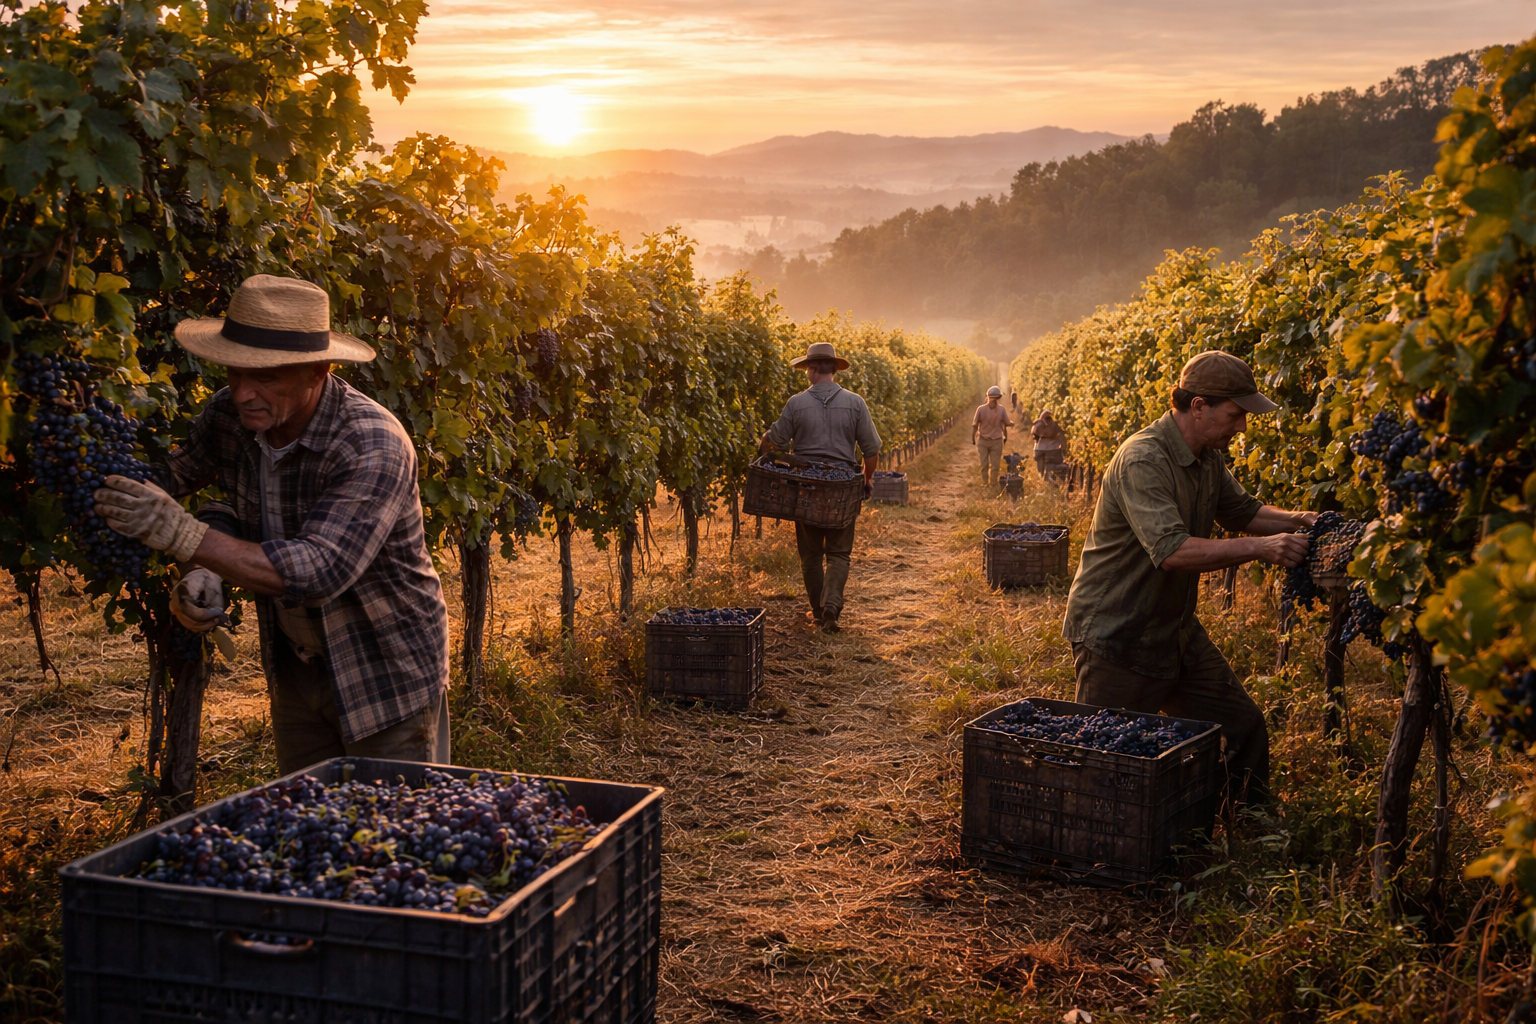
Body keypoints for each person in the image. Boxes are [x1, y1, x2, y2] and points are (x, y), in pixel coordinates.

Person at [93, 275, 452, 775]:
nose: (243, 394)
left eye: (265, 377)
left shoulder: (371, 442)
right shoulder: (230, 416)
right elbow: (196, 487)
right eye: (235, 374)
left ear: (317, 371)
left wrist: (184, 537)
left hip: (384, 669)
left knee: (395, 835)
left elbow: (319, 569)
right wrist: (203, 567)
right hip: (296, 668)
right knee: (306, 826)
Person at [1061, 351, 1314, 804]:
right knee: (1104, 764)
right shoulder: (1143, 460)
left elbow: (1243, 511)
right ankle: (1096, 862)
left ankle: (1245, 827)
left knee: (1244, 727)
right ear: (1198, 407)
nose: (1241, 428)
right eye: (1235, 415)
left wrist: (1304, 520)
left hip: (1172, 630)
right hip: (1116, 633)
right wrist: (1262, 548)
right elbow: (1173, 552)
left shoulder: (1206, 455)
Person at [760, 341, 882, 633]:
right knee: (839, 553)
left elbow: (775, 440)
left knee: (811, 554)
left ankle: (817, 611)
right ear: (833, 370)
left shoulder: (795, 403)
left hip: (807, 488)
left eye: (807, 369)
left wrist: (763, 443)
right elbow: (871, 451)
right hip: (841, 489)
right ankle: (831, 606)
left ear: (813, 370)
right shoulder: (855, 403)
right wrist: (866, 478)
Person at [972, 385, 1013, 487]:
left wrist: (1010, 423)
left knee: (994, 465)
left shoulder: (1001, 410)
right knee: (986, 464)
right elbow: (975, 424)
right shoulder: (981, 409)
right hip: (984, 440)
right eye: (993, 399)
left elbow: (1006, 422)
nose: (994, 401)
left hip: (996, 440)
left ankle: (992, 483)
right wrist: (973, 437)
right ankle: (986, 483)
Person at [1032, 409, 1066, 479]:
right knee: (1053, 465)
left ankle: (1043, 477)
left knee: (1041, 465)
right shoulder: (1055, 425)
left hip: (1040, 449)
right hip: (1053, 449)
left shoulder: (1038, 424)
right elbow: (1060, 435)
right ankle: (1048, 477)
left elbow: (1034, 435)